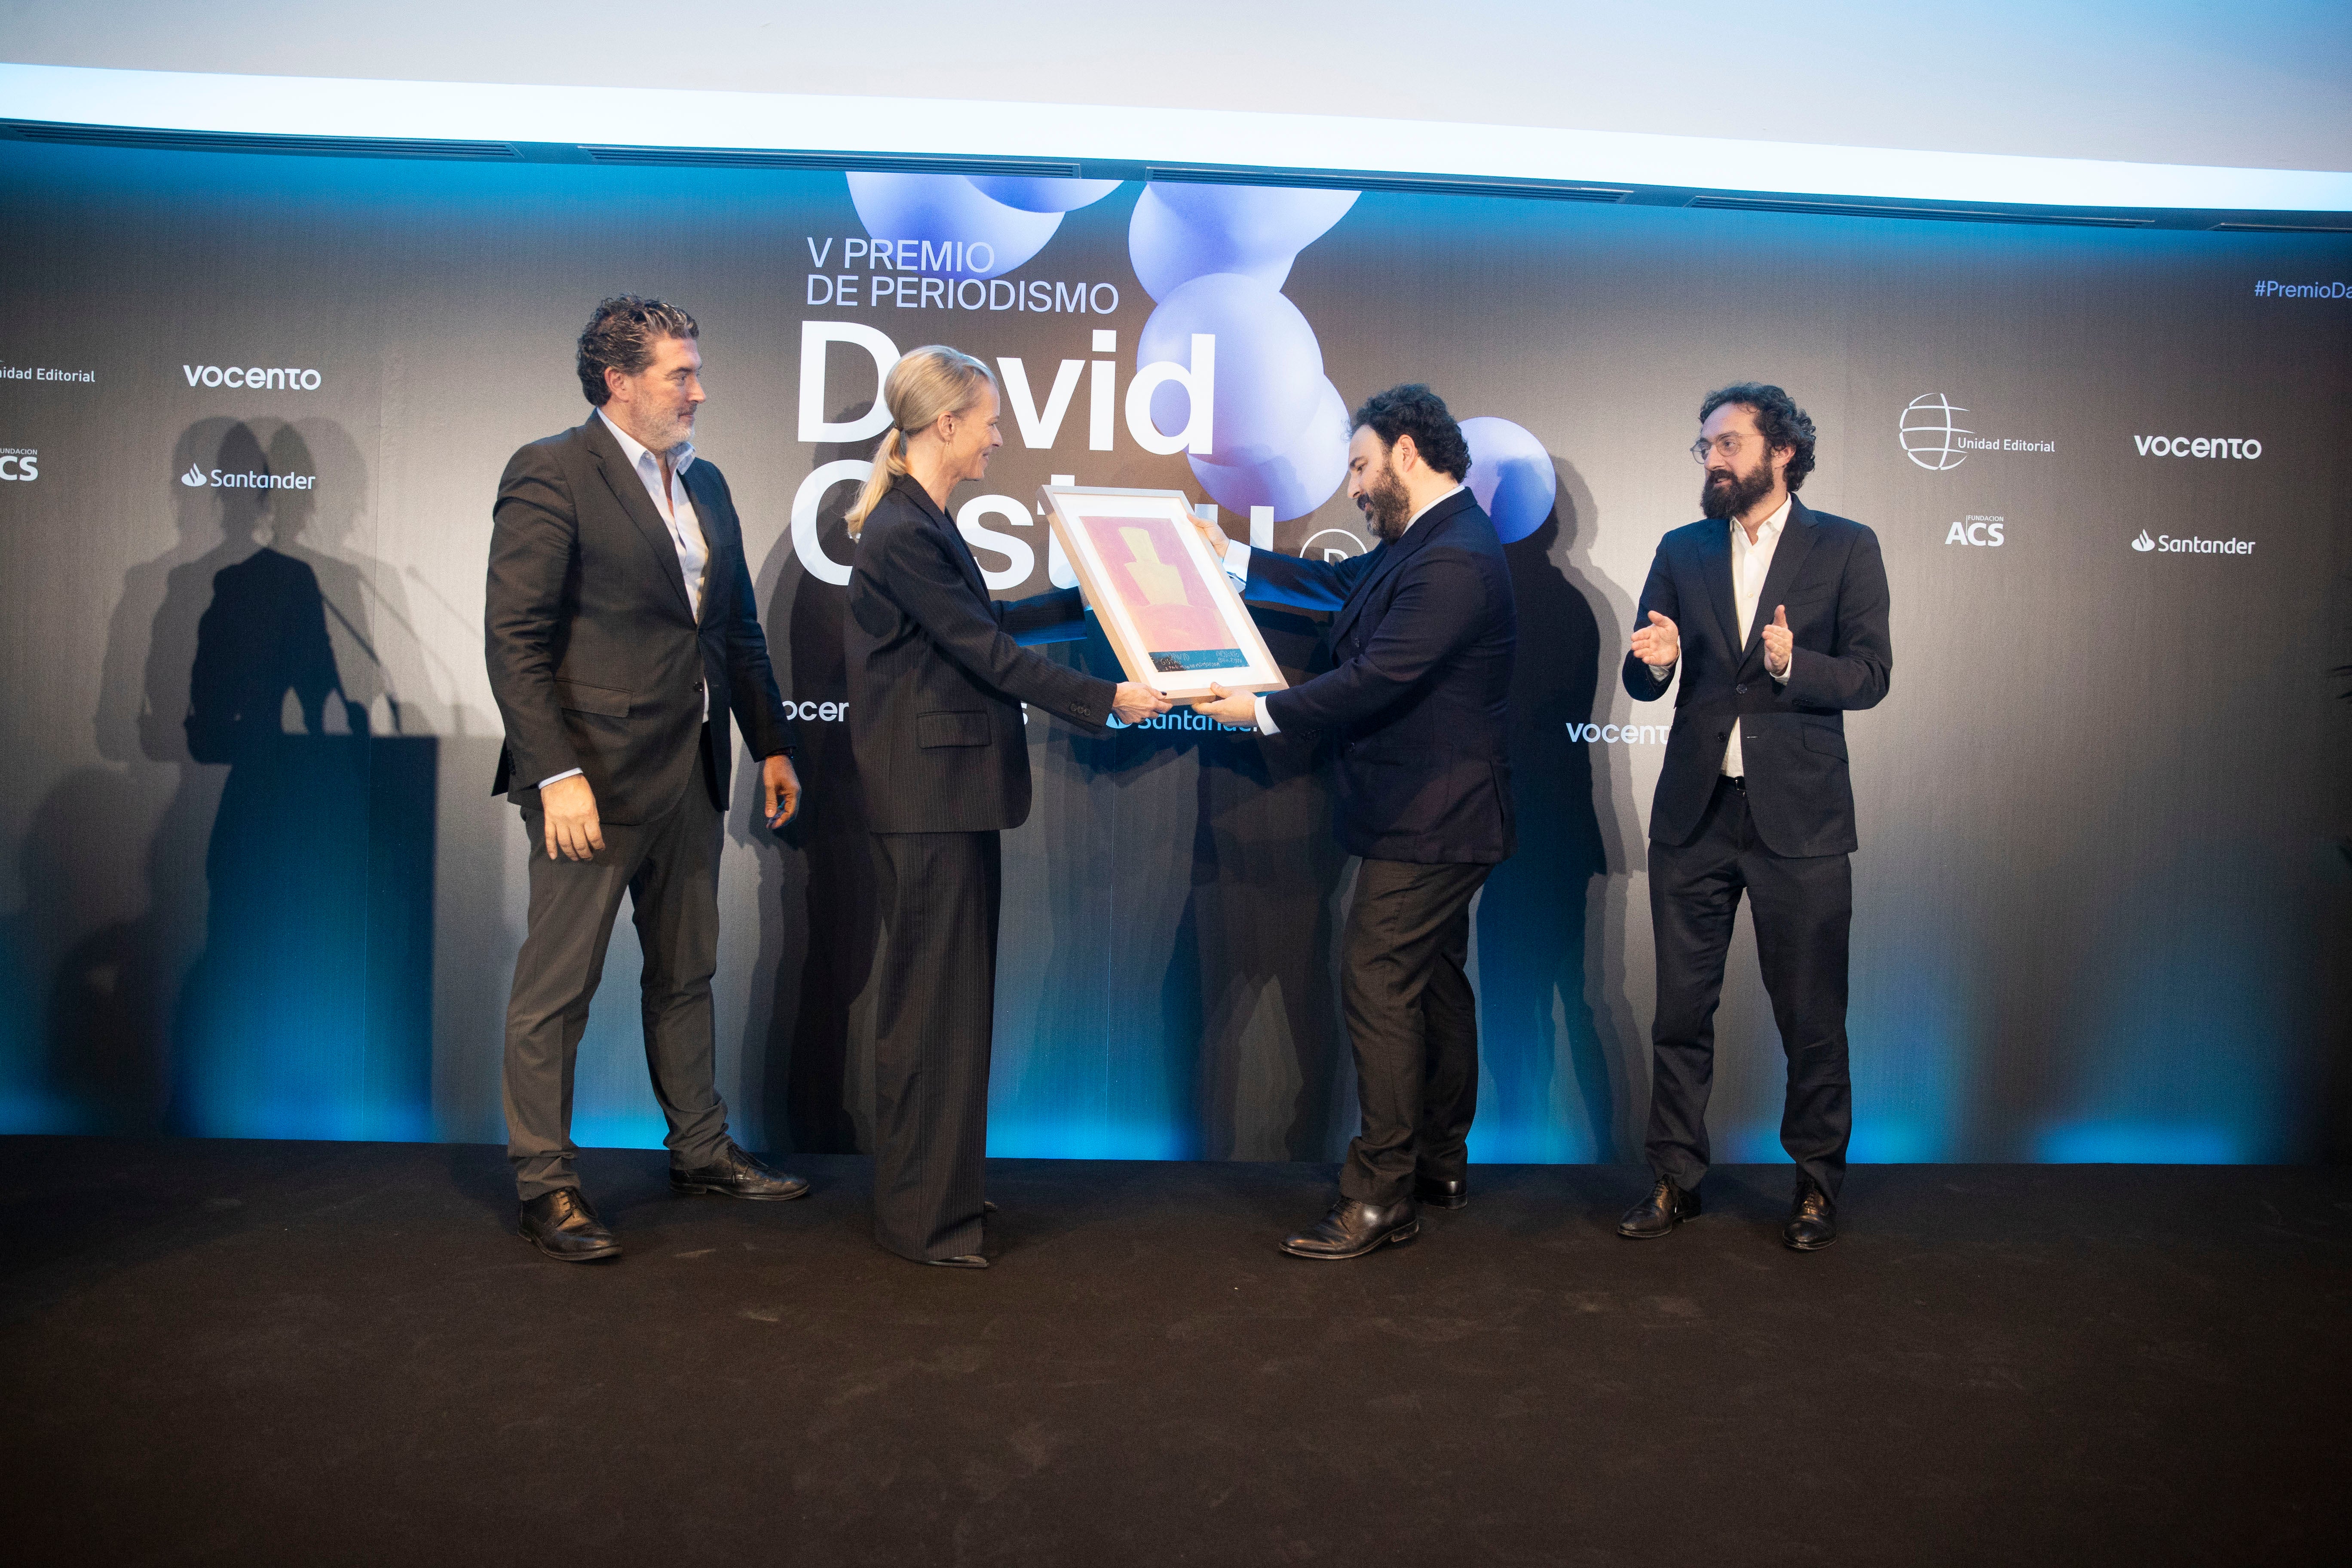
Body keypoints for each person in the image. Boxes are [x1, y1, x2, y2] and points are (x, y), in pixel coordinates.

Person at [486, 296, 806, 1263]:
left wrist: (775, 743)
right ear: (620, 380)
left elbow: (736, 633)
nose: (699, 391)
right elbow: (516, 641)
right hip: (593, 784)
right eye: (681, 374)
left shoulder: (704, 483)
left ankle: (700, 1151)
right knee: (559, 990)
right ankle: (547, 1186)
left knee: (686, 975)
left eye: (696, 372)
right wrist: (556, 775)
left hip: (694, 773)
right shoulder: (551, 471)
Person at [843, 345, 1172, 1268]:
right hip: (928, 804)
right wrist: (1104, 698)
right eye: (987, 419)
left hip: (944, 801)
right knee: (932, 1014)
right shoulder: (906, 529)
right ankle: (924, 1220)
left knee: (945, 1009)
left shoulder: (918, 521)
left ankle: (936, 1194)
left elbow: (979, 626)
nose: (998, 435)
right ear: (943, 423)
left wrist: (1085, 600)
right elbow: (983, 654)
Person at [1191, 385, 1516, 1261]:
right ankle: (1438, 1165)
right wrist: (1230, 557)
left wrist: (1262, 710)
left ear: (1409, 452)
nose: (1355, 487)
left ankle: (1380, 1198)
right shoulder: (1428, 543)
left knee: (1377, 980)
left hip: (1435, 819)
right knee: (1432, 982)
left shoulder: (1454, 559)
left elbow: (1377, 678)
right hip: (1424, 813)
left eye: (1363, 466)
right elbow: (1341, 585)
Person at [1616, 383, 1891, 1251]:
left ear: (1782, 452)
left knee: (1811, 1015)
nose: (1714, 460)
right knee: (1680, 1014)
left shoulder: (1846, 548)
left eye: (1729, 443)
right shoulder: (1681, 547)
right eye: (1706, 447)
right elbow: (1644, 672)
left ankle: (1815, 1185)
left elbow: (1871, 676)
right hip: (1696, 819)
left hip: (1800, 825)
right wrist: (1653, 665)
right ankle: (1674, 1179)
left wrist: (1795, 663)